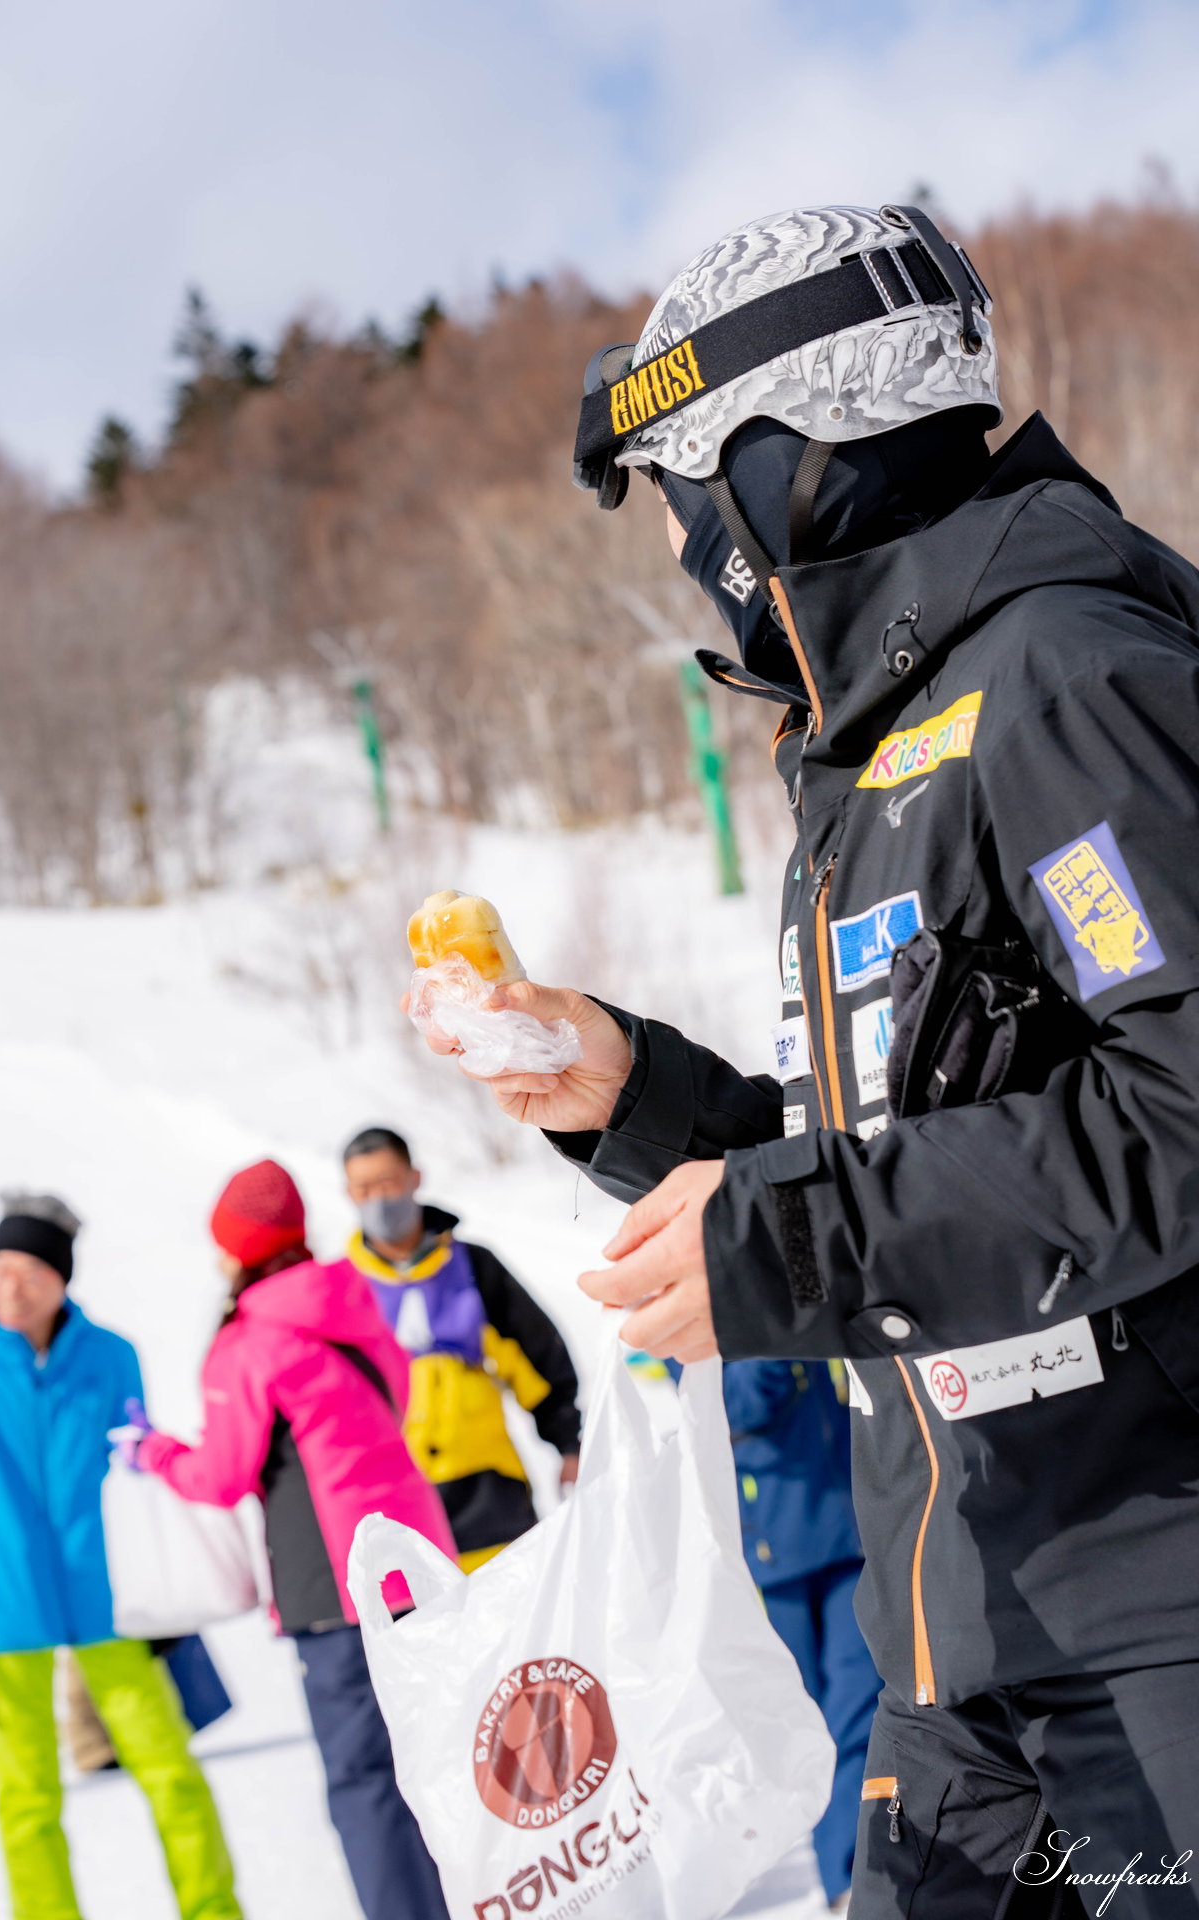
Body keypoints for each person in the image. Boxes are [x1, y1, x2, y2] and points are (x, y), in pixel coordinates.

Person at [418, 204, 1199, 1916]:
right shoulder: (868, 767)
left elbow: (1181, 1113)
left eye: (699, 502)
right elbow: (938, 1153)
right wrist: (634, 1097)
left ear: (799, 459)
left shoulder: (1067, 679)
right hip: (959, 1640)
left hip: (1156, 1634)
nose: (699, 554)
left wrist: (789, 1240)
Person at [129, 1158, 457, 1920]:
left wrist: (155, 1452)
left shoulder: (250, 1341)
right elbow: (397, 1399)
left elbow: (221, 1475)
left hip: (335, 1585)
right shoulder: (355, 1297)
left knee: (364, 1777)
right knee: (440, 1754)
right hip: (417, 1562)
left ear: (238, 1248)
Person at [0, 1191, 243, 1920]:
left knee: (169, 1771)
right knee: (26, 1793)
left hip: (112, 1597)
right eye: (1, 1268)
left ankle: (214, 1909)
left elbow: (134, 1457)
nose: (14, 1285)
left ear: (63, 1280)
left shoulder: (110, 1356)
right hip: (7, 1602)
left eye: (33, 1270)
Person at [668, 1357, 879, 1911]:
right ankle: (841, 1871)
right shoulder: (696, 1302)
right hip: (775, 1551)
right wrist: (771, 1330)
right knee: (809, 1722)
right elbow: (741, 1404)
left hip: (851, 1533)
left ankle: (858, 1871)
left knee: (859, 1706)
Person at [341, 1125, 582, 1569]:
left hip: (491, 1492)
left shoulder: (474, 1267)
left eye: (388, 1182)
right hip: (398, 1507)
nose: (378, 1198)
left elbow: (539, 1359)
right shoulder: (343, 1289)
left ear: (415, 1177)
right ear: (349, 1194)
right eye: (364, 1188)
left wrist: (569, 1443)